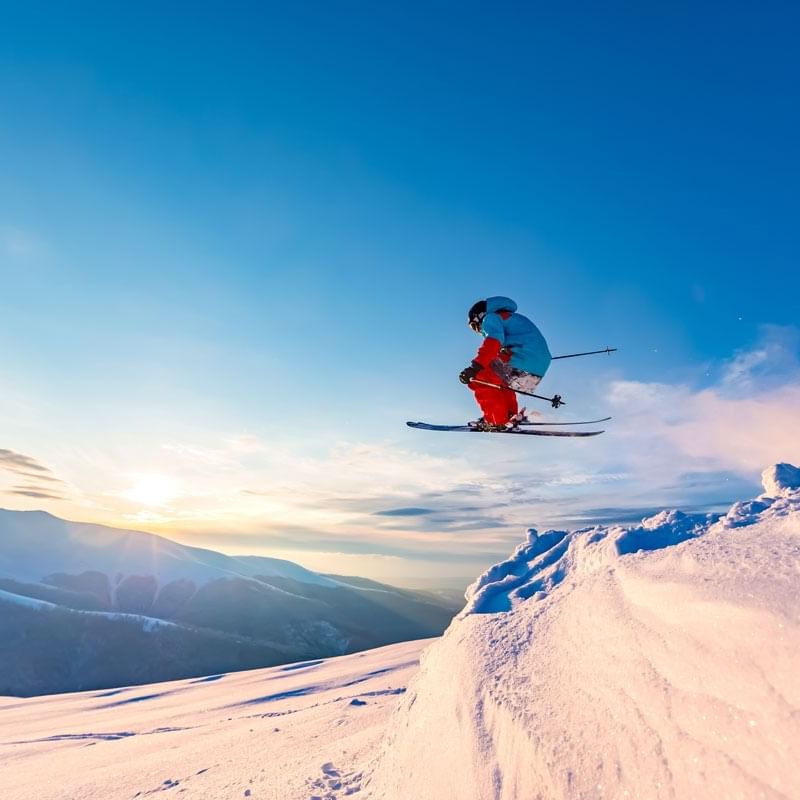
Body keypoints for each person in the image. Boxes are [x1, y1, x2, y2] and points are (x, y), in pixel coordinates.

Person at [459, 296, 552, 430]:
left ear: (480, 316)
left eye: (475, 326)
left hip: (521, 360)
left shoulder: (490, 318)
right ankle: (509, 416)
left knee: (479, 378)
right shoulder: (510, 317)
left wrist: (475, 367)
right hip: (537, 366)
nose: (478, 331)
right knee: (500, 382)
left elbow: (493, 341)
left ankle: (496, 420)